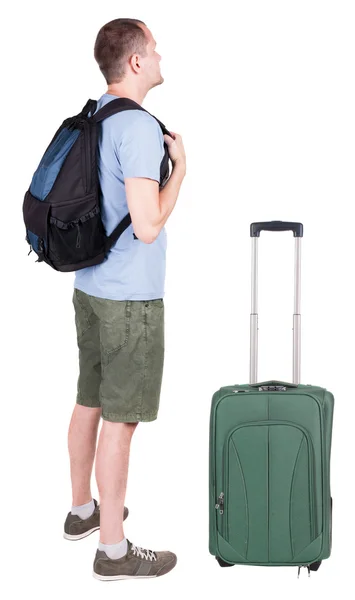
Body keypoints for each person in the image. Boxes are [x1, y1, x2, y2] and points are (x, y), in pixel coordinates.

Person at [63, 18, 186, 581]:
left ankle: (82, 510)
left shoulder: (96, 113)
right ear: (135, 62)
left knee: (89, 397)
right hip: (128, 302)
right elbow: (147, 226)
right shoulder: (136, 126)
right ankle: (112, 550)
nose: (160, 56)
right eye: (154, 49)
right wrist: (181, 172)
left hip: (89, 287)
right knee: (121, 421)